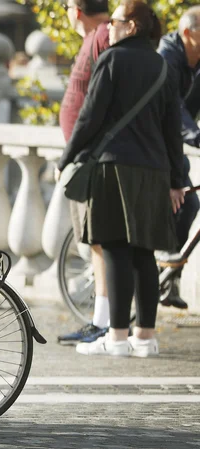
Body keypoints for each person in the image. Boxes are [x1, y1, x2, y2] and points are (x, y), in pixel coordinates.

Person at [57, 0, 184, 358]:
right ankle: (144, 337)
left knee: (114, 248)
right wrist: (177, 179)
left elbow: (89, 119)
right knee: (144, 252)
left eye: (114, 21)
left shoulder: (111, 60)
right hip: (155, 171)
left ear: (131, 26)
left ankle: (116, 336)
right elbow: (171, 130)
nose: (108, 27)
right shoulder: (163, 66)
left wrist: (66, 159)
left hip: (115, 168)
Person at [56, 0, 113, 346]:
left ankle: (104, 323)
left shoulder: (102, 37)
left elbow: (100, 103)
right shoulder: (97, 37)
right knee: (97, 243)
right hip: (89, 156)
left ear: (76, 9)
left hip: (94, 158)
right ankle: (103, 321)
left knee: (100, 243)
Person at [155, 5, 200, 309]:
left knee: (189, 205)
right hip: (154, 145)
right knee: (171, 205)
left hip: (175, 146)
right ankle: (149, 273)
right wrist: (196, 136)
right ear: (188, 33)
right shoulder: (166, 56)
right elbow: (173, 108)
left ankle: (168, 281)